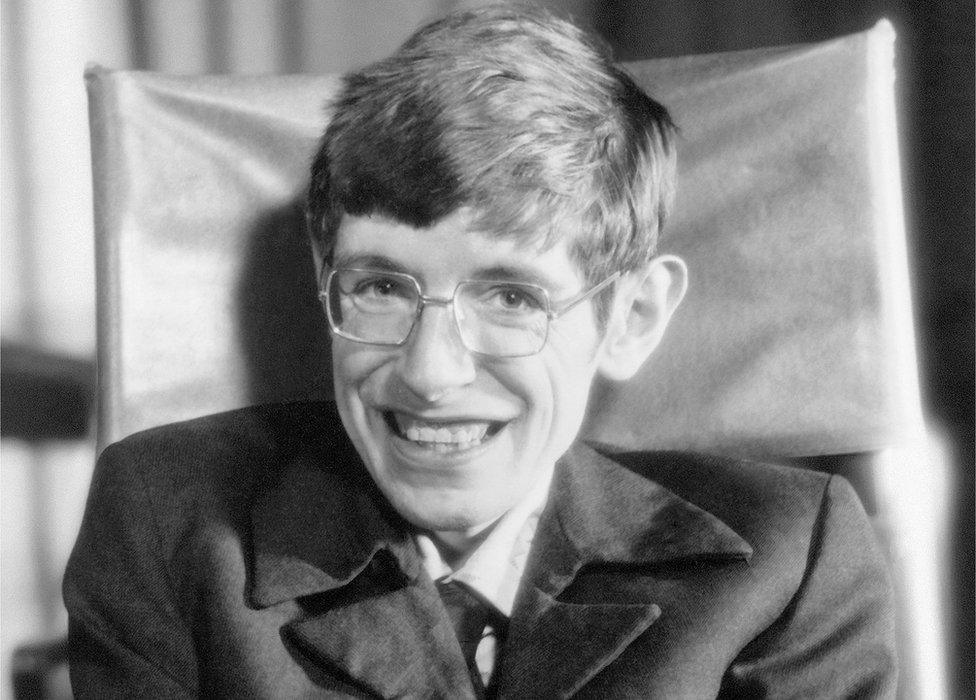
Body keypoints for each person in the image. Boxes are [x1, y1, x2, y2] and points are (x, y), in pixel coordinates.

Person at [64, 5, 897, 698]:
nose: (430, 372)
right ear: (324, 282)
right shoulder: (173, 528)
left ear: (631, 317)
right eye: (380, 287)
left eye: (512, 299)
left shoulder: (787, 565)